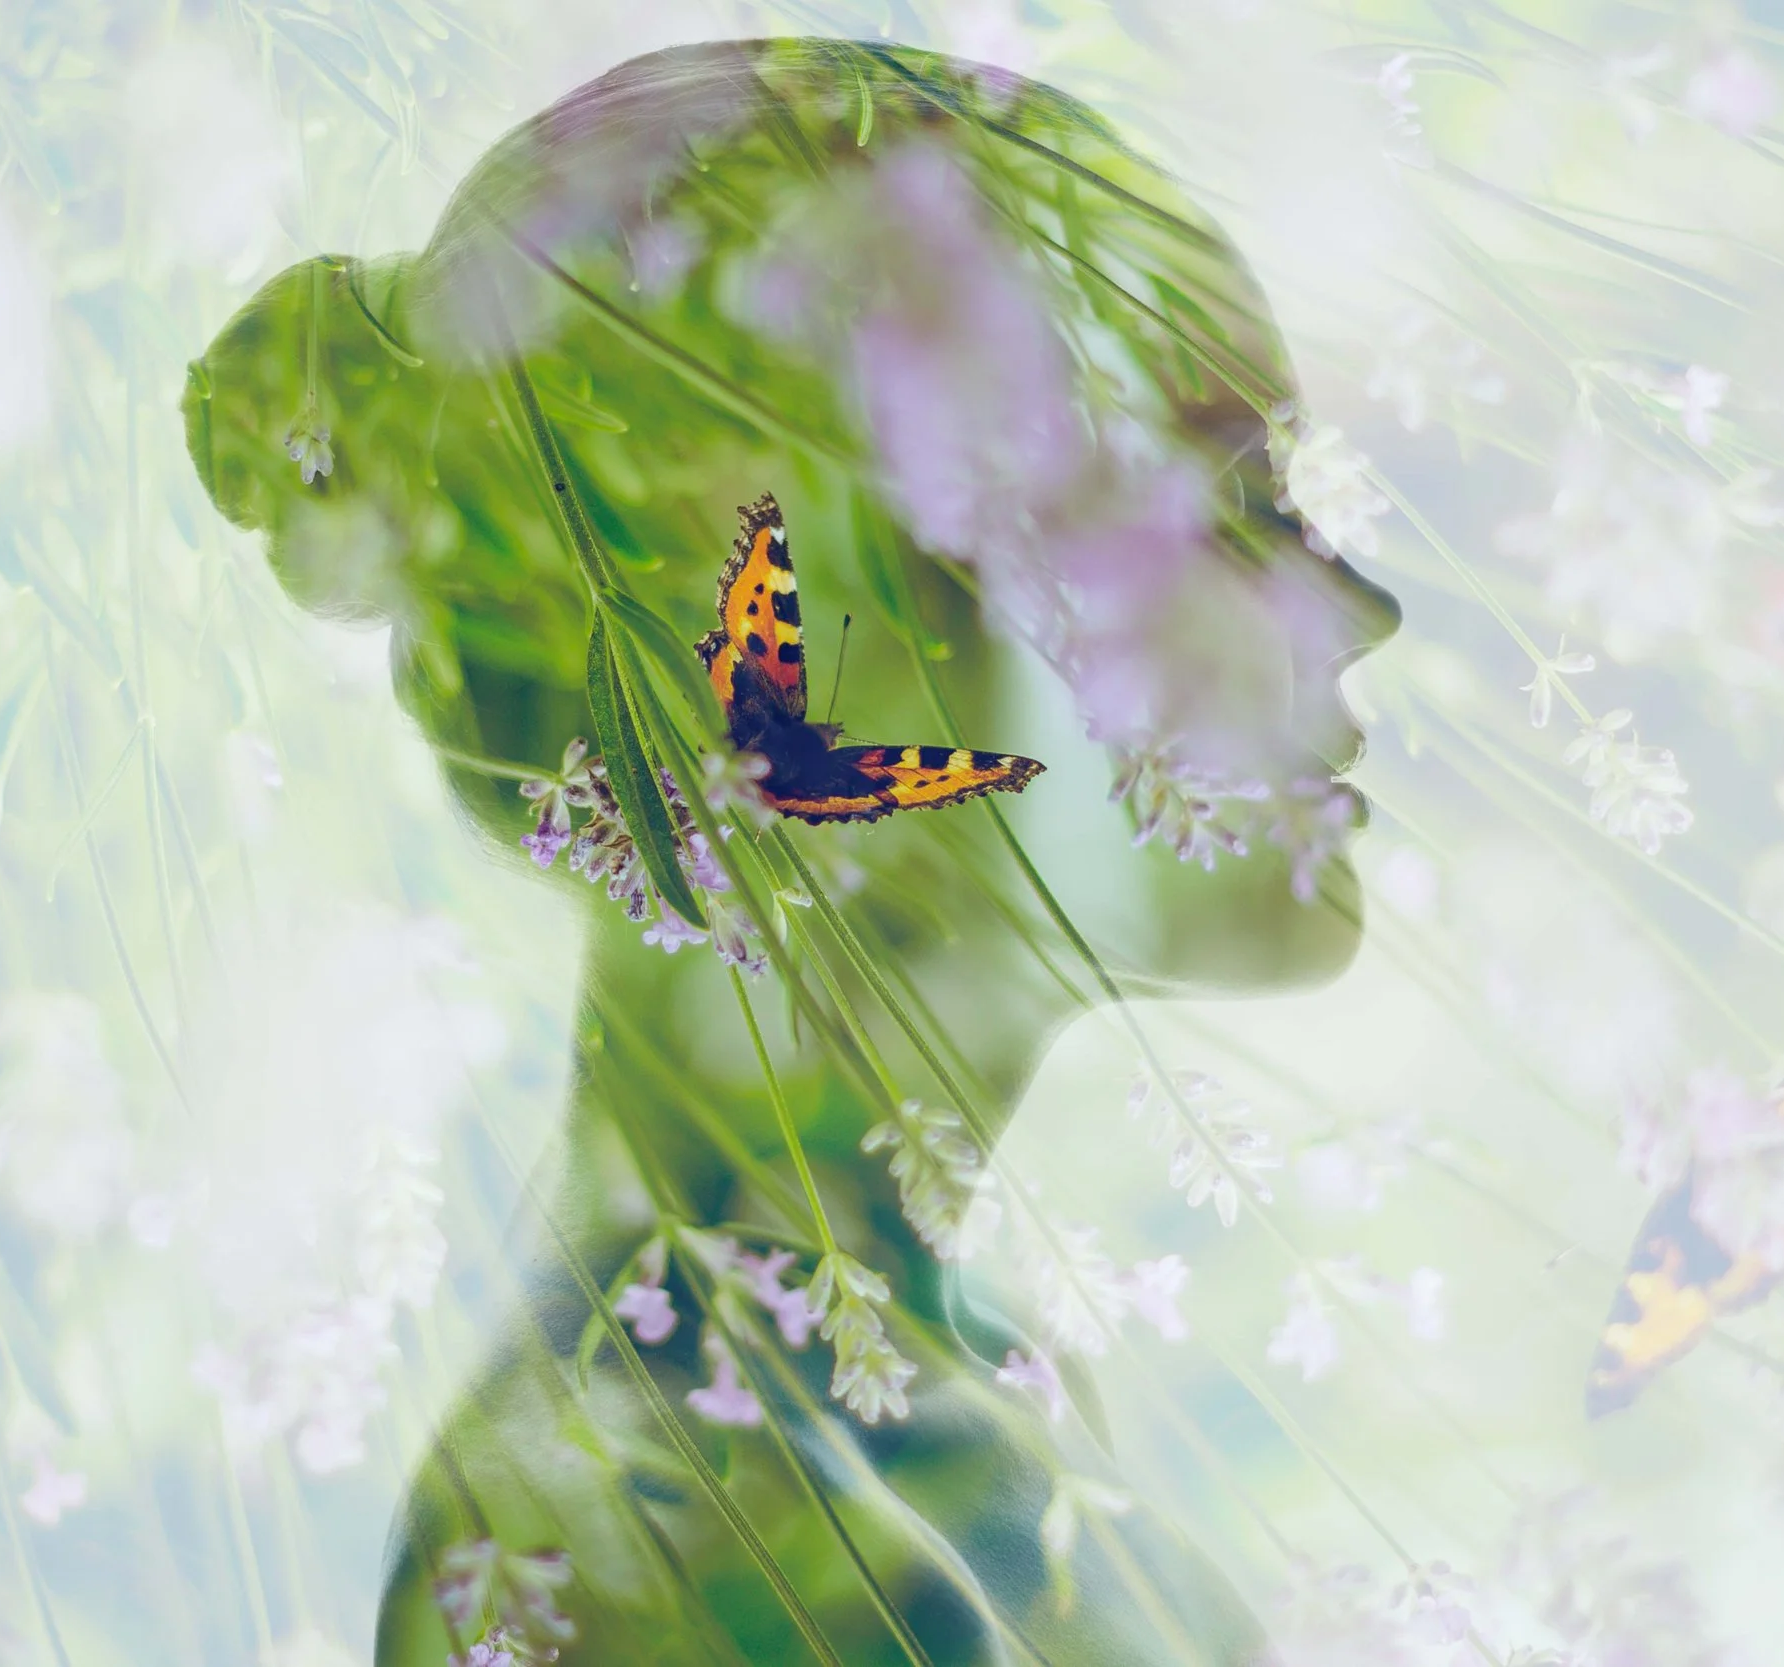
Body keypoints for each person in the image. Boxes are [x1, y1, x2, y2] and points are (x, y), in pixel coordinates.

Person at [184, 37, 1399, 1665]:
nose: (1355, 606)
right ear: (835, 602)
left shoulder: (903, 1415)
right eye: (1233, 502)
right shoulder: (642, 1547)